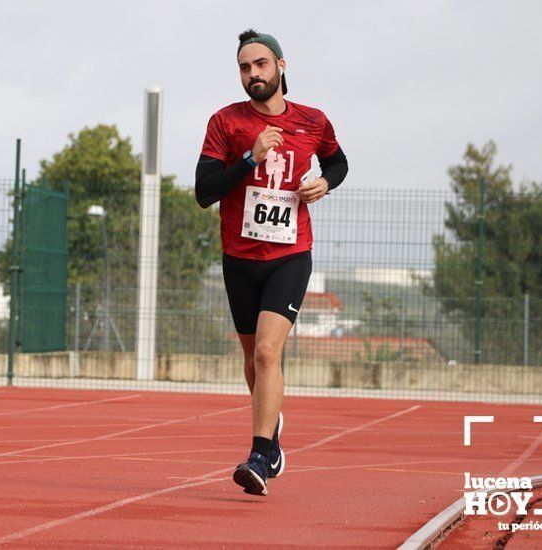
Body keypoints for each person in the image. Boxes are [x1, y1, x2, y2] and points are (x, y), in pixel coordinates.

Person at [194, 29, 348, 496]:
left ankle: (261, 455)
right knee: (250, 358)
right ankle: (273, 432)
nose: (253, 74)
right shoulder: (225, 122)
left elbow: (339, 163)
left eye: (260, 64)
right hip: (239, 258)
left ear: (281, 65)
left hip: (290, 255)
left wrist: (325, 183)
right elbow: (205, 192)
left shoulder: (313, 120)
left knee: (267, 352)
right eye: (244, 67)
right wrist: (249, 156)